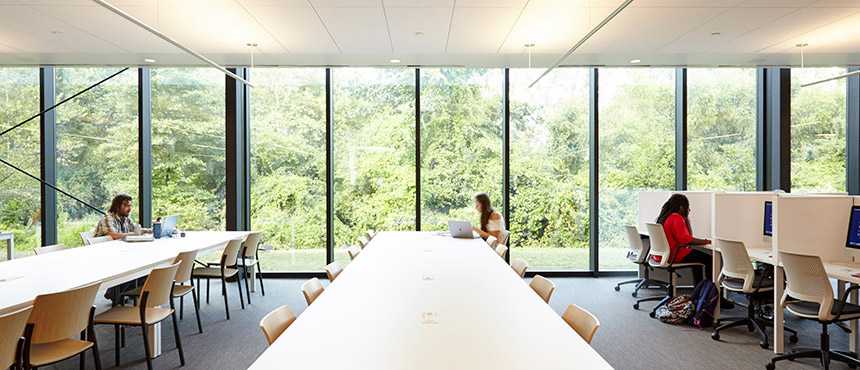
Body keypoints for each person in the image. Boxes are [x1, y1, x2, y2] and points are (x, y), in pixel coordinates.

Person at [93, 194, 150, 304]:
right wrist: (134, 234)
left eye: (130, 206)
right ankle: (116, 291)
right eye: (126, 206)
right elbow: (112, 235)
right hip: (104, 256)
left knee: (145, 266)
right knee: (138, 265)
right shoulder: (108, 219)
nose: (129, 208)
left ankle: (117, 292)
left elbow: (136, 229)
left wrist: (149, 230)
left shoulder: (126, 218)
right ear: (117, 206)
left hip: (119, 254)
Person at [653, 194, 712, 286]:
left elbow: (687, 236)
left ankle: (699, 291)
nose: (688, 210)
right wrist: (707, 241)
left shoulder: (665, 217)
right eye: (687, 208)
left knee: (697, 262)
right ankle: (710, 292)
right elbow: (686, 239)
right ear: (681, 208)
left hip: (661, 255)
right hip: (674, 254)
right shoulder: (676, 217)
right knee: (710, 259)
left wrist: (686, 218)